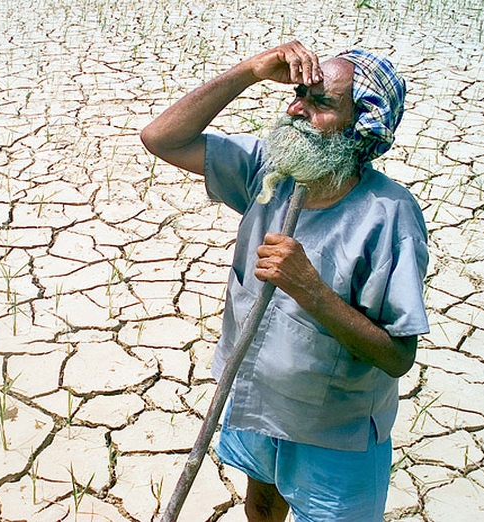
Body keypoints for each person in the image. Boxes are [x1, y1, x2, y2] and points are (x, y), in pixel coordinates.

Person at [140, 41, 429, 522]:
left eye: (322, 103)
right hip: (256, 397)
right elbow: (161, 137)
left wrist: (311, 291)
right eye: (298, 94)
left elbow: (398, 356)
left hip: (333, 429)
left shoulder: (389, 215)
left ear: (363, 127)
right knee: (263, 504)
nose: (296, 109)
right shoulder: (268, 171)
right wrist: (251, 70)